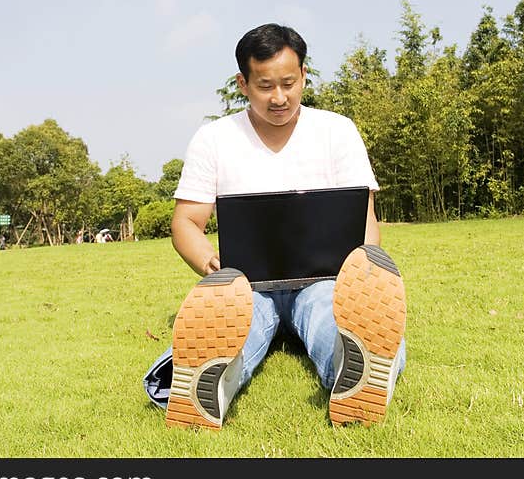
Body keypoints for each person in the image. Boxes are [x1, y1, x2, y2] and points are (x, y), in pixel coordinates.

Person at [143, 23, 407, 430]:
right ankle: (202, 387)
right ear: (242, 83)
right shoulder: (214, 138)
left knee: (332, 318)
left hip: (324, 278)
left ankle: (356, 374)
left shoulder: (337, 131)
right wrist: (210, 263)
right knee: (237, 326)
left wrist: (362, 272)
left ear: (304, 75)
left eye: (289, 82)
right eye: (265, 85)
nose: (279, 97)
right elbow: (186, 222)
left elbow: (364, 216)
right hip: (247, 284)